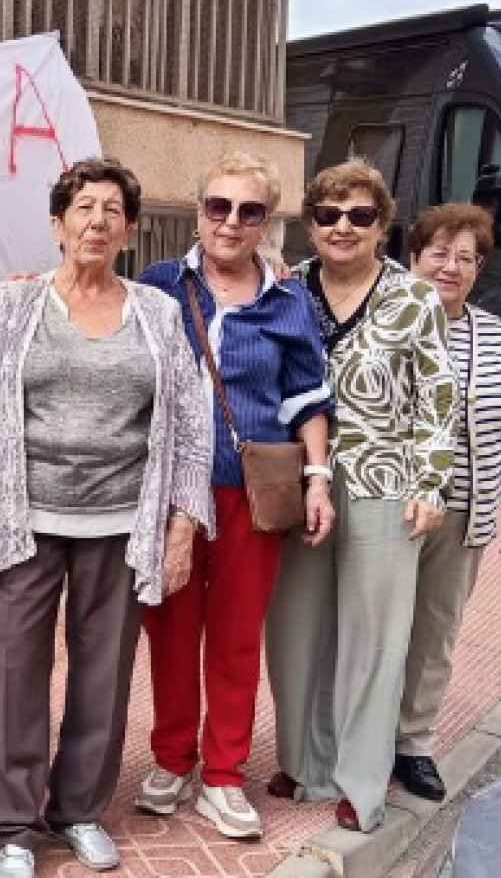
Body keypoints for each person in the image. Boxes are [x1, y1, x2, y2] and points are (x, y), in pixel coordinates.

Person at [0, 157, 215, 878]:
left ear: (129, 229)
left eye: (112, 210)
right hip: (22, 518)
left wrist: (180, 527)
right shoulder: (17, 304)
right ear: (58, 224)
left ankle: (80, 809)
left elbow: (190, 421)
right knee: (7, 669)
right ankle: (14, 829)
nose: (97, 220)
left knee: (105, 670)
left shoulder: (155, 311)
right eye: (83, 208)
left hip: (122, 521)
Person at [132, 152, 336, 840]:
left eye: (249, 211)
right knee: (169, 630)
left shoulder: (287, 300)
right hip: (171, 495)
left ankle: (222, 773)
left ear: (266, 222)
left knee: (235, 637)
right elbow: (91, 308)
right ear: (198, 211)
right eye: (219, 206)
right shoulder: (159, 285)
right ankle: (171, 760)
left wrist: (318, 479)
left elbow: (308, 396)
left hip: (253, 491)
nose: (231, 221)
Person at [264, 159, 460, 833]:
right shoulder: (288, 290)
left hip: (387, 485)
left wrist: (431, 483)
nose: (342, 227)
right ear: (310, 222)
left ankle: (359, 777)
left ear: (383, 224)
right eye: (327, 214)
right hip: (302, 483)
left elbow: (440, 400)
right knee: (296, 628)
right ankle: (305, 760)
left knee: (374, 639)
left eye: (360, 215)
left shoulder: (414, 299)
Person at [393, 203, 501, 802]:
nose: (450, 267)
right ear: (413, 259)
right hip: (389, 509)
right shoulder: (383, 321)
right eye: (439, 254)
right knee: (372, 631)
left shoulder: (494, 333)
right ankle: (355, 740)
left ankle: (411, 743)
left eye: (466, 258)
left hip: (462, 510)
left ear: (479, 269)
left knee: (434, 633)